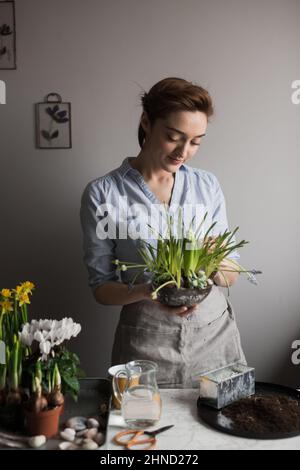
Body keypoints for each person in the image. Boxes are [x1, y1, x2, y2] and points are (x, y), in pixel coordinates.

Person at [80, 77, 246, 387]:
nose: (184, 151)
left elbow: (231, 273)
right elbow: (101, 287)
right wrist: (145, 291)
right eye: (174, 136)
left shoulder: (206, 185)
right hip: (146, 342)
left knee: (222, 427)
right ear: (146, 121)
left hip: (214, 335)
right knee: (143, 427)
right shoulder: (104, 194)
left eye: (196, 141)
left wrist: (216, 261)